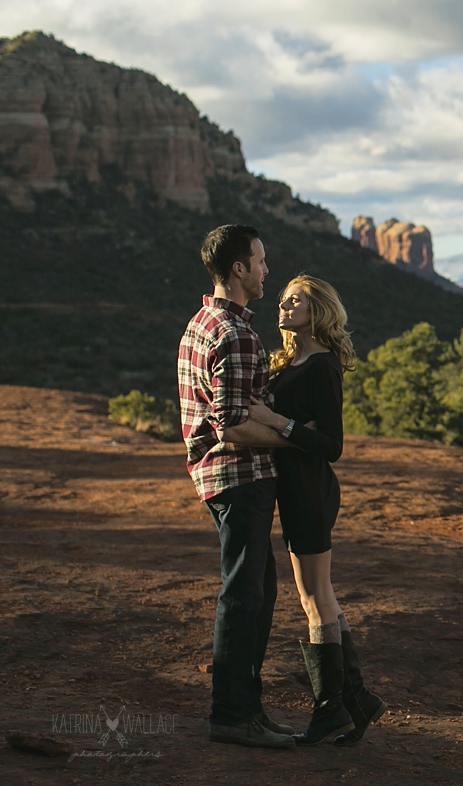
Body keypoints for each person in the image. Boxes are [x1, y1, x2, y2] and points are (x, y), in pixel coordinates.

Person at [248, 275, 386, 746]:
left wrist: (276, 421)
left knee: (314, 597)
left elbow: (331, 444)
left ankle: (332, 709)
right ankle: (356, 699)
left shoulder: (323, 365)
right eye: (284, 299)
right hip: (295, 488)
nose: (284, 306)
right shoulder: (291, 359)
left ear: (318, 309)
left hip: (309, 490)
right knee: (318, 594)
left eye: (296, 301)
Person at [177, 224, 295, 749]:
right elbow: (233, 426)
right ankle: (230, 715)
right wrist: (298, 443)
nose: (267, 269)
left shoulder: (201, 322)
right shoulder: (237, 334)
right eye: (261, 261)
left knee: (258, 590)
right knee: (243, 595)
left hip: (218, 477)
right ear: (239, 269)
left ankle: (249, 708)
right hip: (240, 475)